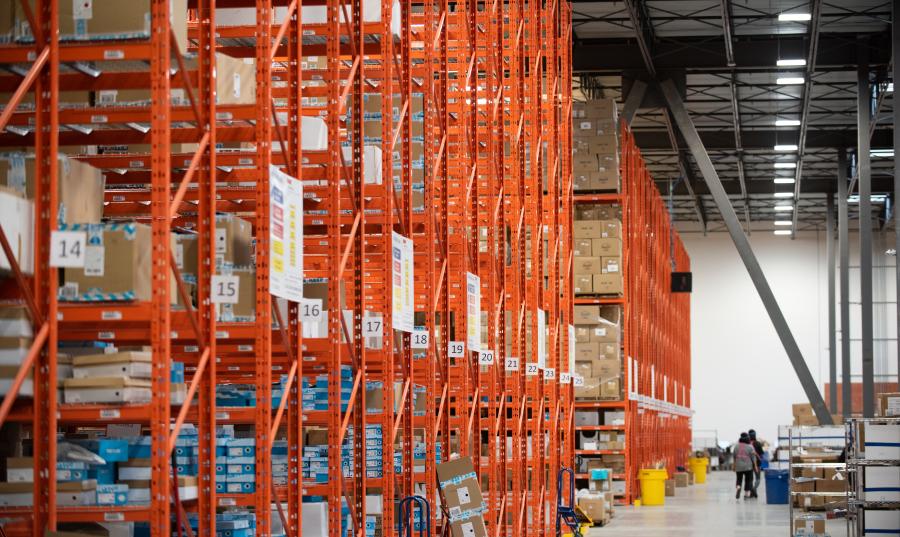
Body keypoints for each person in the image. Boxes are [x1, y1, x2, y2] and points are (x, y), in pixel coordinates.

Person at [734, 432, 759, 500]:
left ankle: (738, 487)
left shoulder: (736, 446)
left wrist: (734, 466)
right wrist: (756, 466)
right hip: (748, 466)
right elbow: (753, 457)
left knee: (739, 479)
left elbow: (734, 456)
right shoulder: (750, 447)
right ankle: (746, 494)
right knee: (748, 480)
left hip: (738, 466)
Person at [748, 429, 764, 498]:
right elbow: (761, 454)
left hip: (748, 464)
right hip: (757, 464)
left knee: (750, 479)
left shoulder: (747, 444)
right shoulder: (758, 443)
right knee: (758, 479)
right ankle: (754, 490)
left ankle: (752, 491)